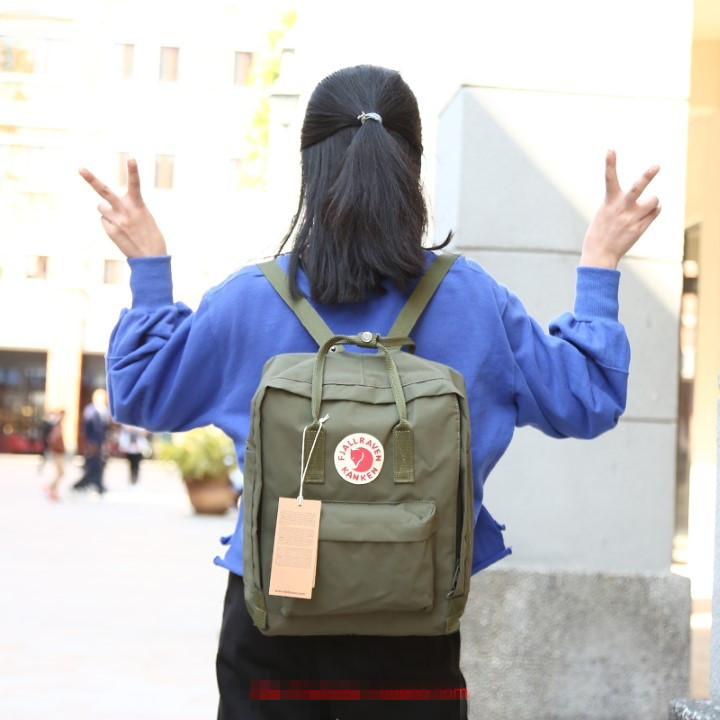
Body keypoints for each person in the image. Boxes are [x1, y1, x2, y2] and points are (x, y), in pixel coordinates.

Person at [79, 64, 660, 720]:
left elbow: (140, 393)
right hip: (414, 628)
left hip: (273, 623)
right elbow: (586, 398)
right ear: (412, 170)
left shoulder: (250, 302)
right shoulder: (471, 301)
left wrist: (149, 269)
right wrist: (600, 262)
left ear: (310, 169)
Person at [72, 388, 110, 495]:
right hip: (92, 442)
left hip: (100, 442)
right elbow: (86, 428)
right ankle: (80, 486)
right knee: (91, 465)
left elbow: (104, 429)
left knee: (100, 465)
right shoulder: (90, 410)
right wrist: (90, 443)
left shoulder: (104, 410)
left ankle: (99, 486)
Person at [42, 409, 66, 501]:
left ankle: (53, 492)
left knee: (60, 473)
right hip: (57, 452)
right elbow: (52, 438)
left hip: (57, 451)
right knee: (61, 472)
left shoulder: (57, 424)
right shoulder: (56, 425)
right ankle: (49, 488)